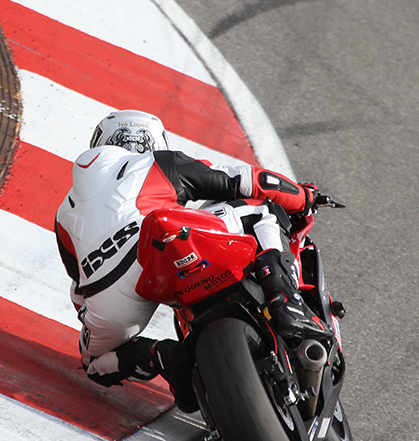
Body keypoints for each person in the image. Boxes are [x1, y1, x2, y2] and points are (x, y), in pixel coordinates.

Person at [54, 110, 329, 409]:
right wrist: (304, 197)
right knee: (260, 205)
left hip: (112, 300)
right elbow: (248, 180)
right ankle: (282, 297)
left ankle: (161, 357)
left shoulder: (64, 212)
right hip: (160, 245)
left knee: (93, 362)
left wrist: (97, 316)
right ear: (154, 142)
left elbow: (79, 287)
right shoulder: (158, 162)